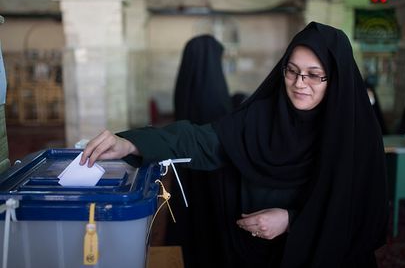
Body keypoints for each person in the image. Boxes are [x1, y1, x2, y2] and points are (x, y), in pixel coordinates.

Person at [81, 22, 388, 267]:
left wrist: (292, 221)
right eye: (291, 70)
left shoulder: (355, 136)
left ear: (335, 78)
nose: (298, 83)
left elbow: (362, 214)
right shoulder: (261, 117)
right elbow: (202, 139)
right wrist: (132, 143)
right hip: (251, 251)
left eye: (313, 75)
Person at [168, 34, 232, 268]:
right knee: (208, 214)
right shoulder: (214, 90)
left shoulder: (185, 82)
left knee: (189, 209)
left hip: (184, 162)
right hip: (211, 168)